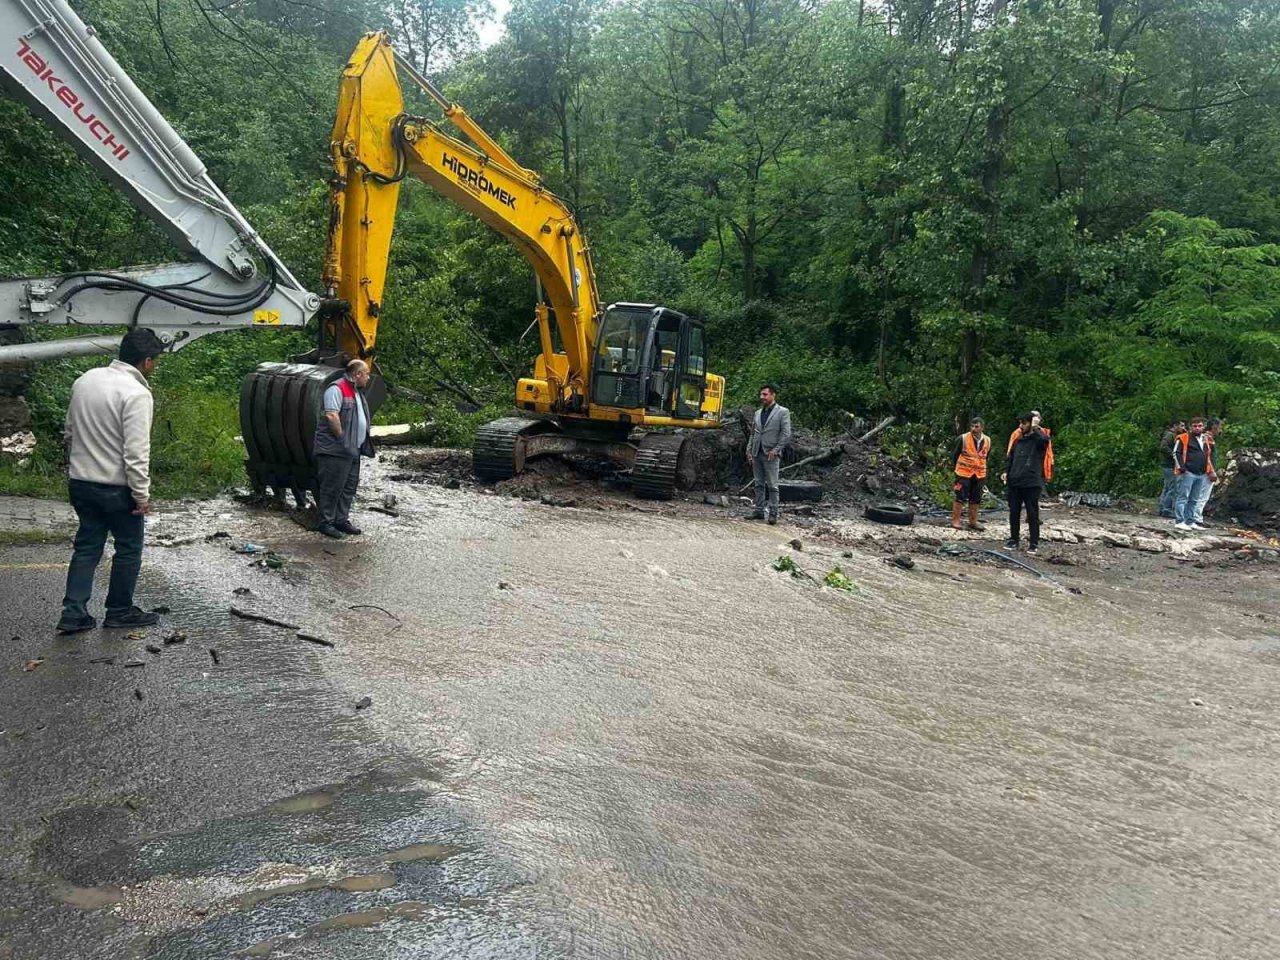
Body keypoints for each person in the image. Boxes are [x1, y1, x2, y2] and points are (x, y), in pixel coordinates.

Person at [57, 328, 166, 634]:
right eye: (154, 361)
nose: (154, 367)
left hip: (80, 482)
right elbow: (136, 452)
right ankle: (119, 610)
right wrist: (142, 496)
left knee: (87, 547)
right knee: (128, 548)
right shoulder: (136, 394)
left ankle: (73, 613)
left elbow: (69, 432)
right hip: (116, 488)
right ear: (146, 361)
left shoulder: (86, 379)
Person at [313, 359, 375, 538]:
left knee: (349, 487)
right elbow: (332, 415)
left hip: (352, 450)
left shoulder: (355, 391)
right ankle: (326, 523)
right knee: (332, 487)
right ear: (357, 375)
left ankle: (341, 520)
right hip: (336, 450)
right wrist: (342, 439)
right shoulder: (336, 389)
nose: (369, 378)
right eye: (367, 374)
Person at [1004, 413, 1051, 554]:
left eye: (1024, 423)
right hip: (1015, 481)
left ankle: (1033, 543)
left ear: (1031, 424)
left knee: (1032, 513)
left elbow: (1044, 441)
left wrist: (1036, 427)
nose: (1020, 426)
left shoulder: (1039, 440)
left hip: (1031, 482)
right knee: (1014, 512)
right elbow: (1011, 458)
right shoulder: (1018, 440)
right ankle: (1013, 540)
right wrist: (1007, 473)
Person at [745, 383, 792, 525]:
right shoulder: (758, 413)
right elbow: (753, 433)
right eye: (761, 394)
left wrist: (776, 449)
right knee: (758, 483)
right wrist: (749, 450)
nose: (762, 397)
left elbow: (786, 433)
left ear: (773, 395)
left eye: (765, 394)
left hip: (771, 453)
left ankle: (773, 513)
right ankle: (759, 511)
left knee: (772, 485)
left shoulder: (783, 412)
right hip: (757, 452)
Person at [1172, 416, 1217, 532]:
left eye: (1200, 426)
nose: (1197, 428)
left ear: (1203, 427)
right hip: (1188, 472)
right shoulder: (1183, 438)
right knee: (1183, 497)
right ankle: (1180, 521)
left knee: (1194, 498)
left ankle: (1190, 520)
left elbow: (1207, 456)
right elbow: (1176, 453)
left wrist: (1209, 470)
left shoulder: (1205, 439)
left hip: (1201, 473)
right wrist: (1182, 468)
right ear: (1190, 427)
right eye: (1195, 426)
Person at [951, 417, 991, 531]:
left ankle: (972, 521)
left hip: (979, 474)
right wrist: (956, 470)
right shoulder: (963, 438)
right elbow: (954, 455)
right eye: (972, 426)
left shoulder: (988, 440)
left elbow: (986, 456)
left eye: (976, 426)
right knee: (960, 496)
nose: (974, 429)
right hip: (963, 473)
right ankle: (956, 520)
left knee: (976, 497)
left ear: (982, 428)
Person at [1006, 409, 1054, 485]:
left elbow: (1048, 453)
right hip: (1018, 475)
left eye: (1038, 418)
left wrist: (1048, 473)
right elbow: (1011, 455)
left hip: (1037, 475)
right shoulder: (1018, 433)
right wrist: (1007, 473)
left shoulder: (1043, 433)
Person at [1158, 418, 1185, 518]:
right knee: (1172, 487)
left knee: (1167, 487)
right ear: (1175, 426)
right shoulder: (1170, 435)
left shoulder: (1174, 435)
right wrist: (1174, 455)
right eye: (1181, 426)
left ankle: (1162, 507)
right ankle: (1167, 509)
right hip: (1168, 465)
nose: (1183, 428)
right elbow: (1163, 447)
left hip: (1168, 465)